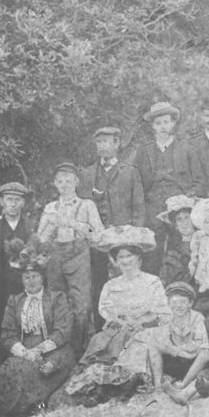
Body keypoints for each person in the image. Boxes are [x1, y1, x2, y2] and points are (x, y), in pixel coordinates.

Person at [59, 226, 170, 407]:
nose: (125, 261)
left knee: (137, 340)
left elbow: (161, 310)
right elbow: (106, 309)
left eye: (129, 256)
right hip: (120, 326)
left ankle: (126, 386)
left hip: (145, 327)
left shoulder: (152, 281)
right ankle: (101, 388)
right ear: (116, 261)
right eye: (121, 257)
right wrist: (119, 320)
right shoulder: (111, 285)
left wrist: (142, 321)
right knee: (101, 340)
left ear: (139, 259)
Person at [0, 250, 75, 417]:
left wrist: (39, 350)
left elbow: (62, 331)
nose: (31, 281)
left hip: (56, 350)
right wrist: (24, 352)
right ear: (21, 280)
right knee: (3, 373)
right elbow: (7, 333)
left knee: (30, 373)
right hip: (25, 349)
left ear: (42, 277)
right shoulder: (15, 300)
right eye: (27, 277)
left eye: (35, 276)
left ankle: (24, 409)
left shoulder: (57, 298)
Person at [35, 162, 103, 354]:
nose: (64, 185)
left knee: (82, 307)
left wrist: (72, 223)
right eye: (60, 181)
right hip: (56, 258)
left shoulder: (87, 205)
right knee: (56, 305)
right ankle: (60, 351)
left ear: (77, 182)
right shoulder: (50, 207)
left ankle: (80, 349)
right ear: (55, 184)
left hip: (79, 255)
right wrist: (49, 226)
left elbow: (98, 234)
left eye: (69, 180)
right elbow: (40, 240)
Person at [81, 126, 146, 324]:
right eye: (99, 142)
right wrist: (92, 235)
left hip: (123, 241)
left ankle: (129, 328)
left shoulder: (130, 172)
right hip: (97, 242)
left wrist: (133, 239)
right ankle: (102, 330)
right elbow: (83, 211)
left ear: (117, 143)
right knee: (99, 285)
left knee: (126, 283)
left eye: (106, 142)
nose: (101, 146)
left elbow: (138, 208)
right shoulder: (88, 174)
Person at [134, 101, 194, 273]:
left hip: (179, 207)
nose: (163, 127)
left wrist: (189, 199)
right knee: (152, 249)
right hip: (152, 206)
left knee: (181, 246)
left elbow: (197, 179)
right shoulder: (144, 151)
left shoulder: (185, 149)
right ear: (152, 126)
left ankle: (181, 286)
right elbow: (137, 184)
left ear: (173, 123)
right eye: (158, 123)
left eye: (166, 122)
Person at [0, 182, 34, 330]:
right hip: (1, 291)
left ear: (23, 202)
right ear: (2, 202)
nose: (13, 204)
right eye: (9, 199)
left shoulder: (32, 229)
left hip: (27, 288)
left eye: (17, 200)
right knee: (3, 329)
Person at [149, 282, 209, 394]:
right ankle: (158, 384)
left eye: (183, 302)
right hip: (175, 358)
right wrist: (178, 352)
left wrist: (181, 349)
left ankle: (184, 383)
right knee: (153, 345)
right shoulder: (166, 318)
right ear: (168, 303)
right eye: (174, 302)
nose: (178, 306)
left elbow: (199, 344)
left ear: (190, 303)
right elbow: (163, 343)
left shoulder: (197, 318)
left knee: (205, 353)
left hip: (192, 362)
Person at [156, 195, 198, 288]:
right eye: (179, 220)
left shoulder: (207, 243)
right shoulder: (173, 254)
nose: (184, 223)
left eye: (187, 217)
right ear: (175, 225)